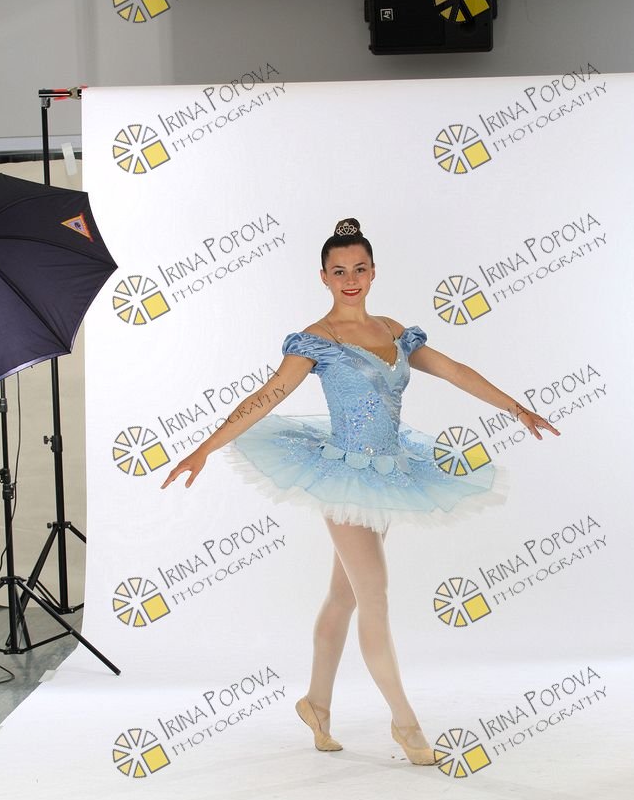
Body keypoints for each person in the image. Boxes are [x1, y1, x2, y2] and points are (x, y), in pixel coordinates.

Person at [162, 218, 559, 766]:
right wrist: (204, 448)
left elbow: (455, 371)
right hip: (342, 475)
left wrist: (516, 408)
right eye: (339, 271)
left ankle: (315, 704)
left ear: (373, 273)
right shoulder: (317, 340)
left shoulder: (394, 331)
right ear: (323, 277)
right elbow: (267, 396)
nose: (350, 279)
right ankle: (406, 724)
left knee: (345, 595)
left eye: (359, 269)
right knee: (375, 596)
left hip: (390, 475)